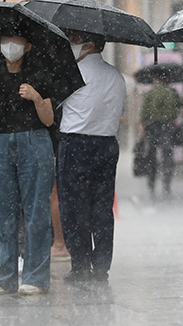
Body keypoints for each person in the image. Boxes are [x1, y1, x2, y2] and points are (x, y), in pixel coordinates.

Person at [0, 32, 56, 295]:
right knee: (2, 212)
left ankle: (35, 277)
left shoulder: (40, 72)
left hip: (34, 140)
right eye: (5, 39)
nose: (9, 45)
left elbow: (49, 119)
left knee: (35, 212)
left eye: (16, 40)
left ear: (28, 45)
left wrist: (36, 97)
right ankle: (4, 276)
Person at [57, 31, 126, 283]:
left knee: (74, 208)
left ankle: (80, 265)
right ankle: (101, 266)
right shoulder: (116, 76)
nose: (72, 45)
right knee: (102, 208)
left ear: (88, 45)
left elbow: (52, 104)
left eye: (75, 40)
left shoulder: (72, 73)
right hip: (107, 145)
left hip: (75, 144)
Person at [140, 78, 183, 199]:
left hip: (152, 127)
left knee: (151, 155)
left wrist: (143, 126)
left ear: (156, 80)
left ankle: (151, 183)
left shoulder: (150, 93)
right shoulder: (172, 92)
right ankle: (166, 183)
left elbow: (144, 113)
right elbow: (180, 106)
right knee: (167, 155)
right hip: (167, 125)